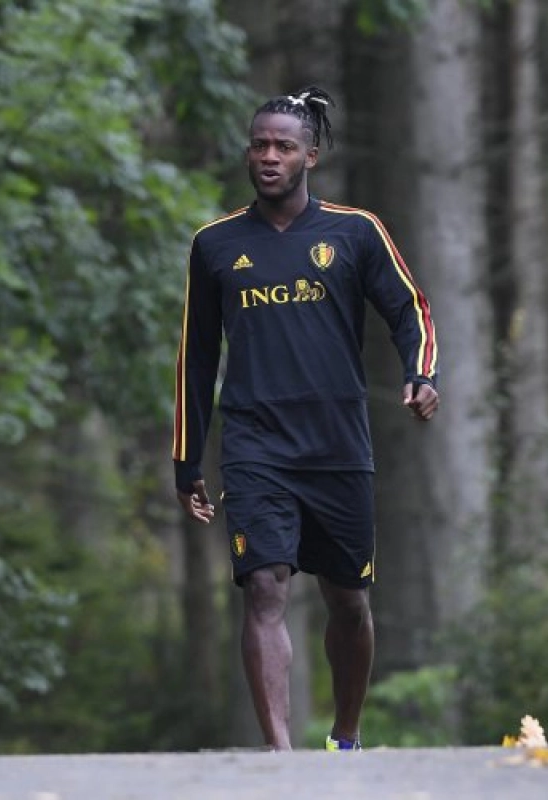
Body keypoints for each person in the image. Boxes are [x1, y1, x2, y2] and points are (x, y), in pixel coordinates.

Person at [171, 86, 439, 752]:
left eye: (283, 146)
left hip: (338, 443)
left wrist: (420, 373)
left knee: (347, 602)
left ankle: (344, 737)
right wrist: (187, 458)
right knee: (263, 586)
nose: (268, 156)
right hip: (254, 444)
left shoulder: (354, 232)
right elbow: (196, 358)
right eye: (259, 144)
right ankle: (282, 761)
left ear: (309, 156)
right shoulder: (215, 245)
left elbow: (411, 310)